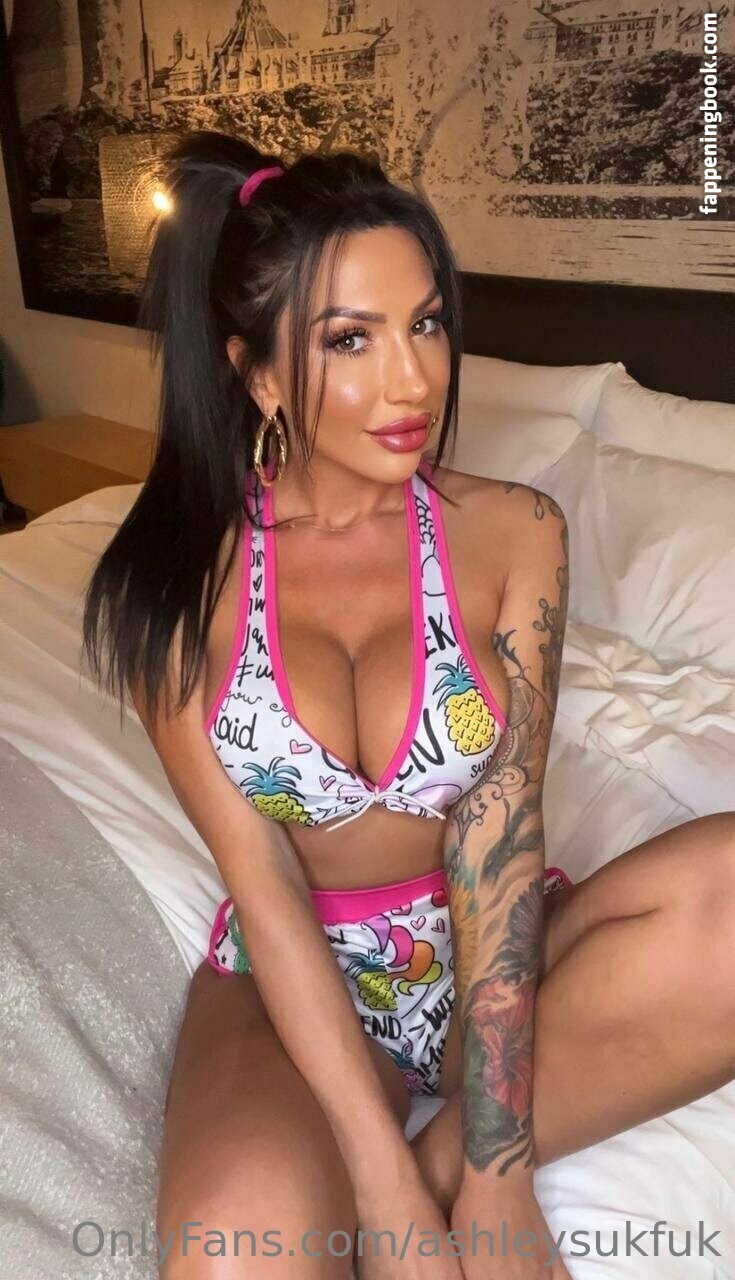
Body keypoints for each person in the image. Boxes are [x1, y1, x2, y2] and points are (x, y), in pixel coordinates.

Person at [82, 130, 735, 1280]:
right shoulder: (173, 586)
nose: (414, 381)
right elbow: (266, 883)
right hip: (297, 980)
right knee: (236, 1253)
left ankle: (445, 1163)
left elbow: (499, 829)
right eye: (352, 338)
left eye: (426, 323)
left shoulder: (516, 533)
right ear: (257, 373)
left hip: (491, 955)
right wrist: (379, 1191)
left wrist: (493, 1168)